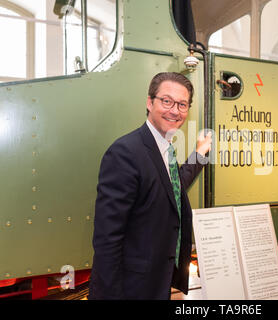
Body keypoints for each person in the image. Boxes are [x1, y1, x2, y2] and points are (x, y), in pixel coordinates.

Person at [89, 72, 212, 299]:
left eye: (182, 104)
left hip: (156, 282)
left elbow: (171, 189)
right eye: (166, 101)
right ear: (149, 102)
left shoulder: (164, 149)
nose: (174, 110)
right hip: (130, 289)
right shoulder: (125, 152)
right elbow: (107, 239)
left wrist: (200, 154)